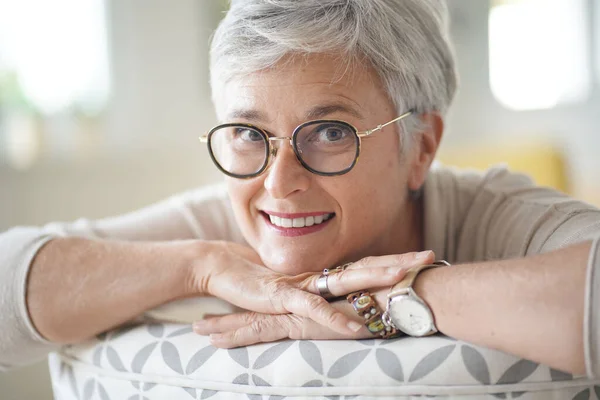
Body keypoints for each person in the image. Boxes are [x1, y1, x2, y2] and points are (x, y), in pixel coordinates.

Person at [1, 0, 599, 381]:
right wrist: (199, 266)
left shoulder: (490, 213)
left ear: (420, 147)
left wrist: (394, 297)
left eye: (331, 132)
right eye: (246, 131)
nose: (279, 183)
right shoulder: (222, 222)